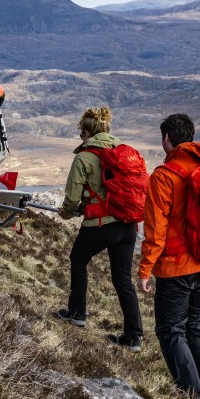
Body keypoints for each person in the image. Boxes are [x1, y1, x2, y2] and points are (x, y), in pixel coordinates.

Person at [137, 113, 200, 399]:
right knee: (194, 323)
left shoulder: (164, 176)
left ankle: (193, 393)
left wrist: (145, 268)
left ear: (167, 138)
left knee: (170, 329)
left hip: (176, 267)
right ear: (190, 137)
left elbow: (156, 228)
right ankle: (199, 382)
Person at [55, 108, 143, 351]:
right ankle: (133, 336)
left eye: (80, 133)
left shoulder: (84, 157)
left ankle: (77, 312)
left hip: (101, 225)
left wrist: (68, 211)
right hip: (128, 225)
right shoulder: (122, 152)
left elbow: (72, 197)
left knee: (78, 259)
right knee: (123, 279)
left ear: (86, 132)